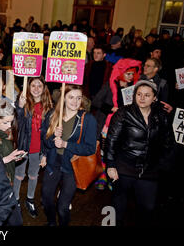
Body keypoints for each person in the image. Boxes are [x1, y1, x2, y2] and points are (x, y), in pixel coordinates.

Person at [104, 80, 174, 226]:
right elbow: (111, 140)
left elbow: (168, 142)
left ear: (155, 97)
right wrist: (110, 165)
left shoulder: (162, 116)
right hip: (124, 168)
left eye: (147, 95)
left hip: (150, 171)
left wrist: (162, 165)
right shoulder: (124, 113)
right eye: (139, 94)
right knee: (117, 209)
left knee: (148, 209)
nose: (142, 98)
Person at [40, 84, 97, 226]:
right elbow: (45, 141)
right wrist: (52, 140)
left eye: (78, 98)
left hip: (71, 167)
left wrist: (66, 144)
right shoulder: (53, 115)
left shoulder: (88, 119)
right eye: (71, 97)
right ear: (64, 98)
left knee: (63, 207)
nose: (75, 102)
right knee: (46, 198)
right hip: (53, 164)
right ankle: (52, 222)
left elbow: (90, 148)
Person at [14, 76, 53, 218]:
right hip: (23, 145)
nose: (36, 89)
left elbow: (49, 132)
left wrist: (45, 153)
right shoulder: (23, 102)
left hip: (38, 148)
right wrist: (19, 107)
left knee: (33, 175)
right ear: (28, 88)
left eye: (39, 86)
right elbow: (16, 123)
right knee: (18, 174)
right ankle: (16, 199)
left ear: (44, 89)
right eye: (33, 86)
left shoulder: (48, 107)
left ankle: (30, 199)